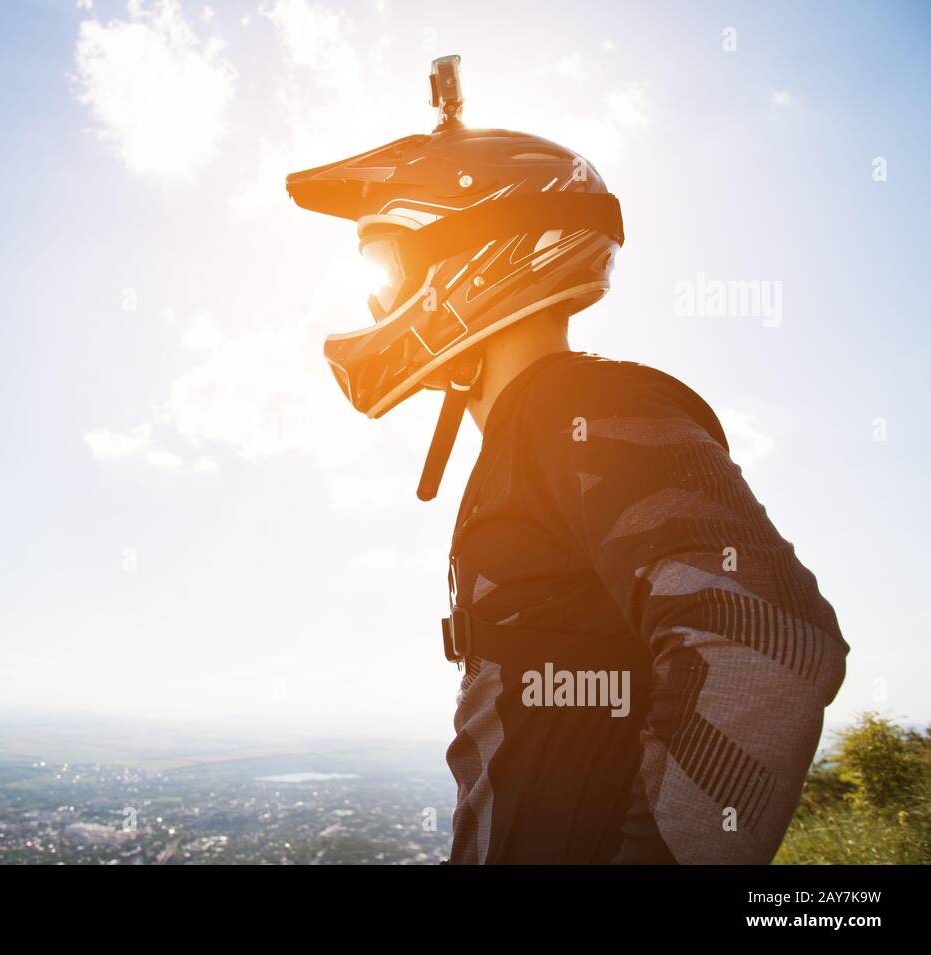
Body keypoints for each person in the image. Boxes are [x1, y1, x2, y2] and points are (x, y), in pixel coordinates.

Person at [286, 55, 848, 864]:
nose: (378, 303)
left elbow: (770, 640)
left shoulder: (581, 415)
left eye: (387, 267)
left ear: (475, 258)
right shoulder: (533, 434)